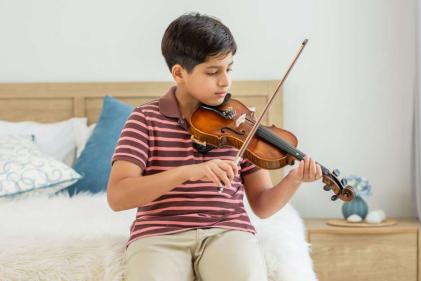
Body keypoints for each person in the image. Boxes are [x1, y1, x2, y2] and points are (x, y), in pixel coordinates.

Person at [107, 12, 322, 281]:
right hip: (159, 233)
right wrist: (188, 172)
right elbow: (117, 196)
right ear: (179, 73)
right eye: (212, 72)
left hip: (228, 229)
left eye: (229, 68)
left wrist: (294, 180)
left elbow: (262, 206)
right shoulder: (145, 119)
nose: (225, 81)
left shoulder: (240, 122)